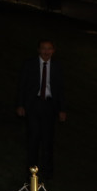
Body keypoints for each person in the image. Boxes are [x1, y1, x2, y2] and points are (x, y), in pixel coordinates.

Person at [16, 39, 66, 181]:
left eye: (49, 49)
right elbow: (22, 85)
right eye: (43, 48)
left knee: (48, 140)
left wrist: (62, 109)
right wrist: (20, 104)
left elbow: (60, 89)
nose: (46, 51)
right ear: (38, 50)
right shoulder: (30, 64)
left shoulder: (57, 66)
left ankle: (48, 172)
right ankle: (32, 171)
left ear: (53, 51)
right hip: (33, 105)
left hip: (49, 106)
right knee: (33, 138)